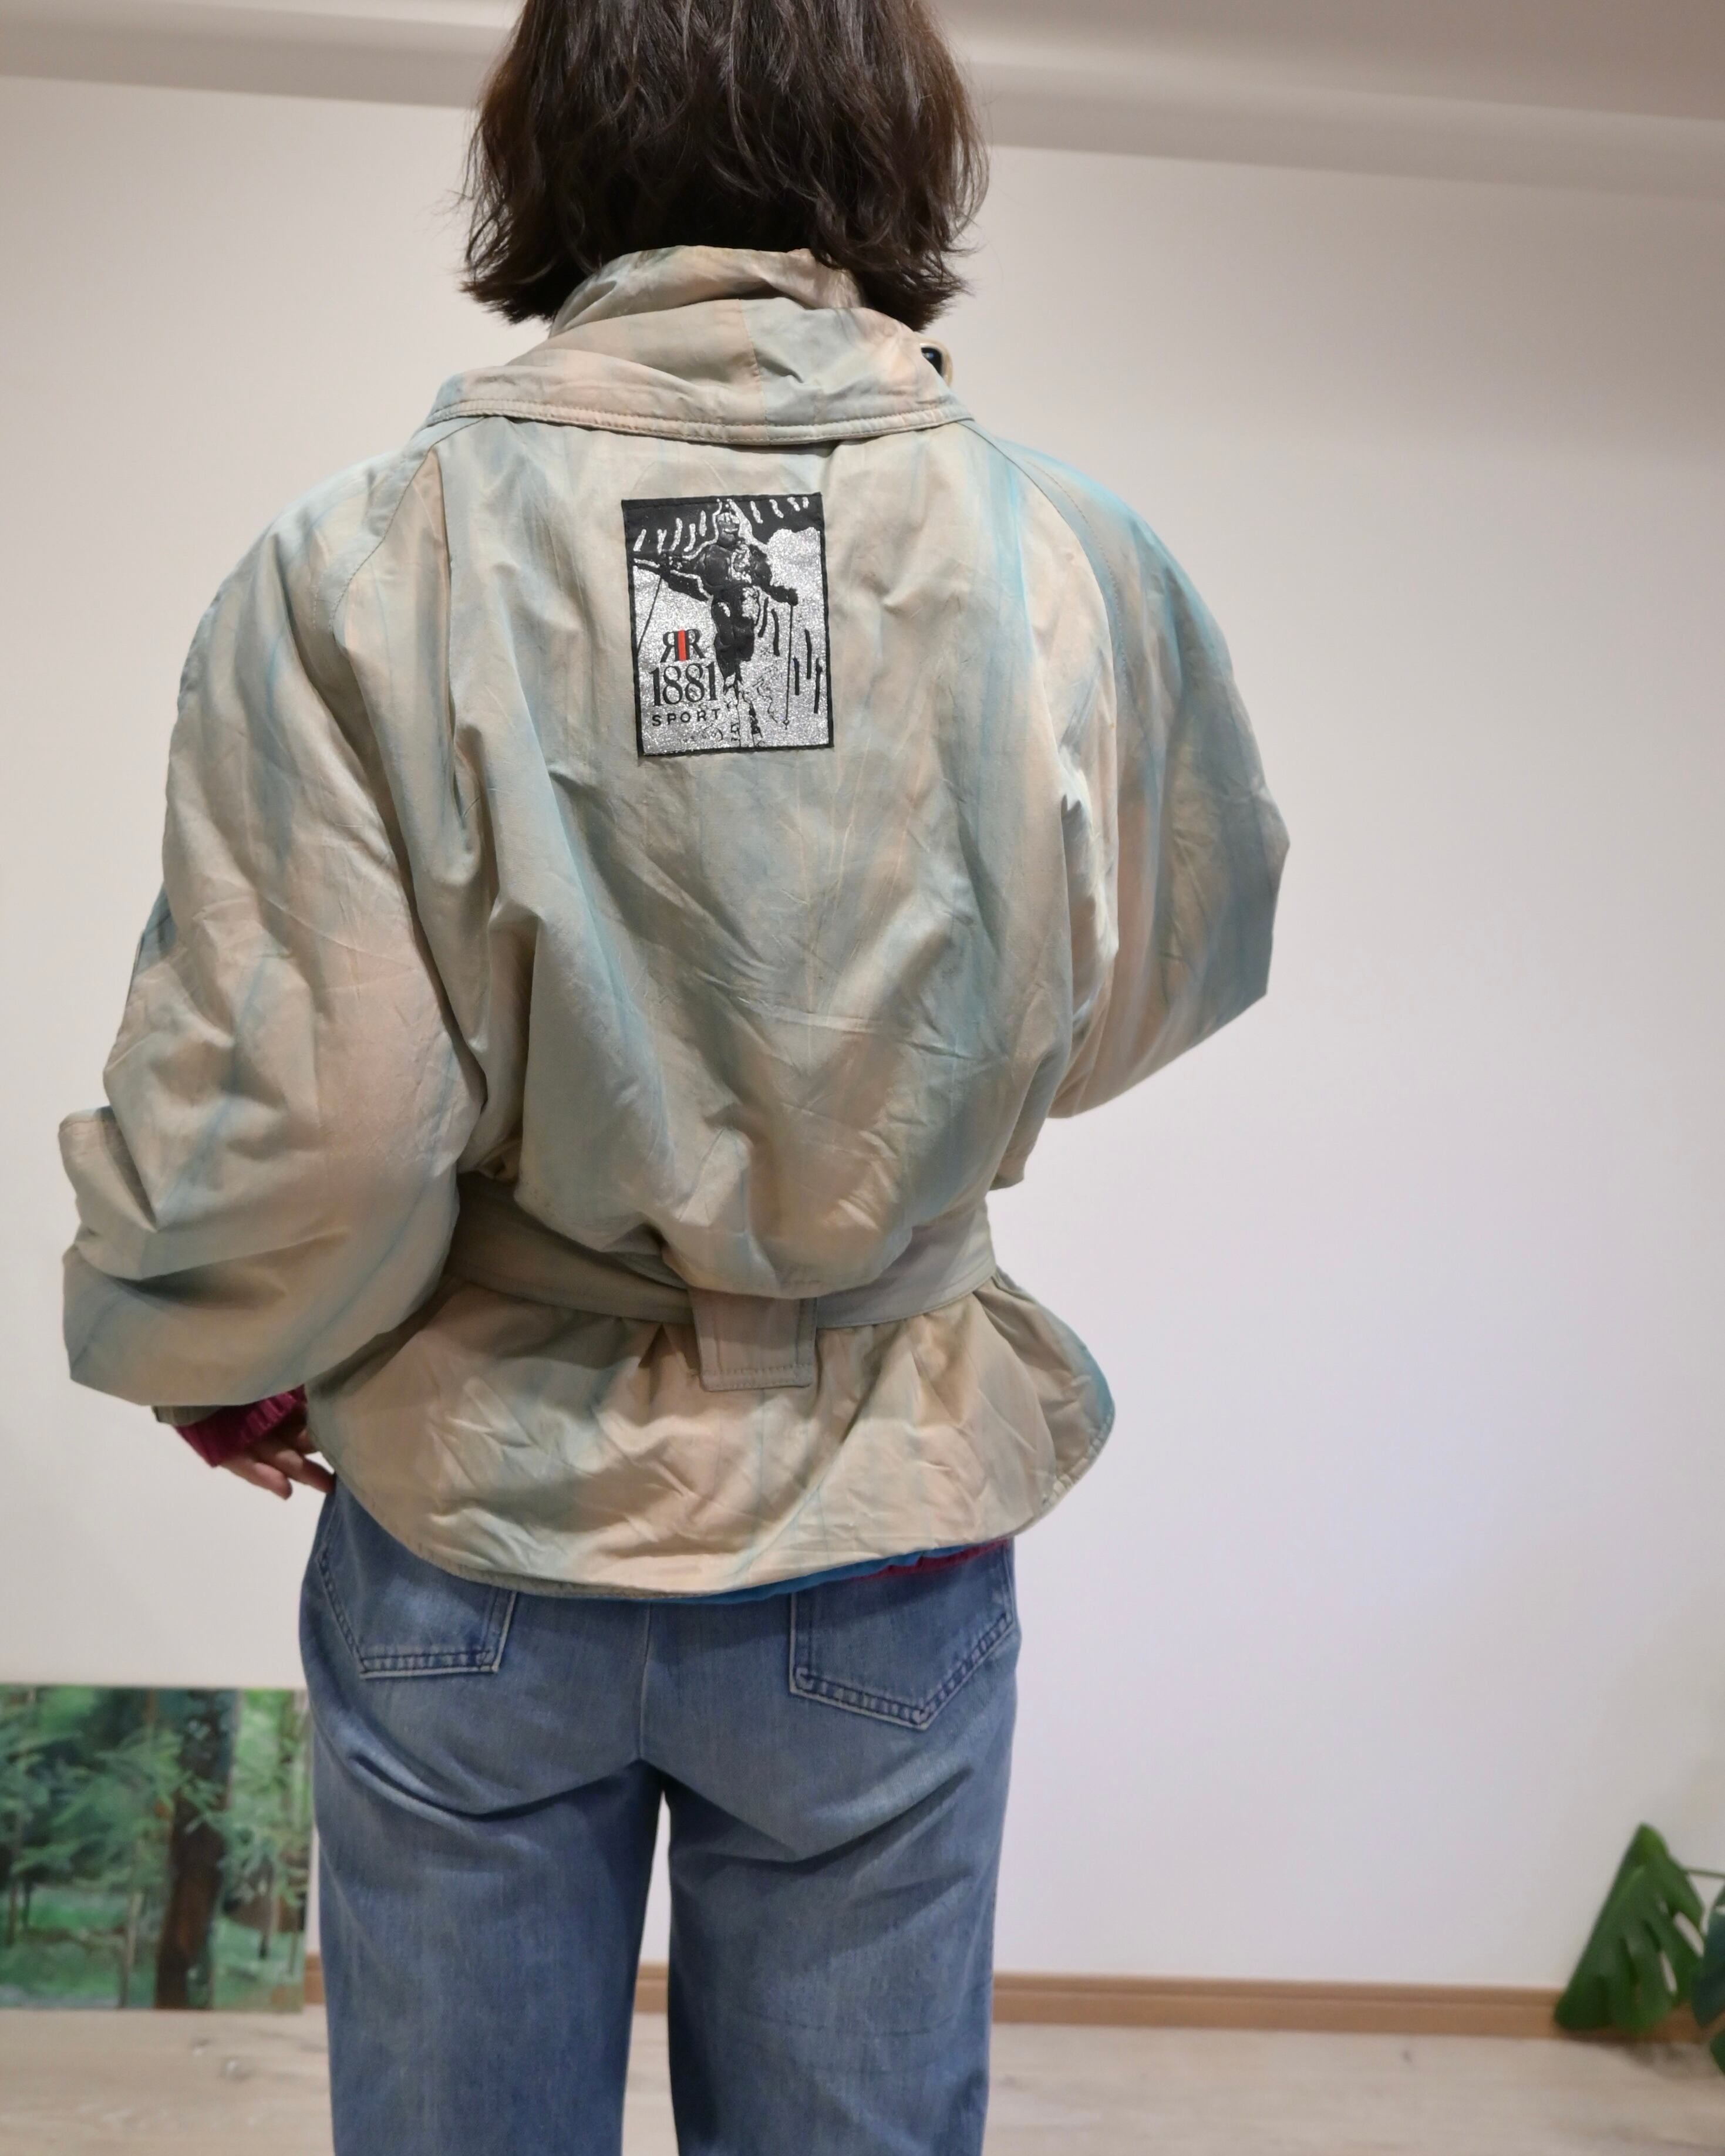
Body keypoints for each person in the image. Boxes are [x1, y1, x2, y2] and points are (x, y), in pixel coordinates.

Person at [58, 0, 1288, 2150]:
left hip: (480, 1510)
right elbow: (1158, 976)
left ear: (544, 151)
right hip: (879, 1505)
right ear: (897, 147)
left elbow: (313, 1109)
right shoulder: (1069, 559)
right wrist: (878, 1122)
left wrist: (212, 1337)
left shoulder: (362, 563)